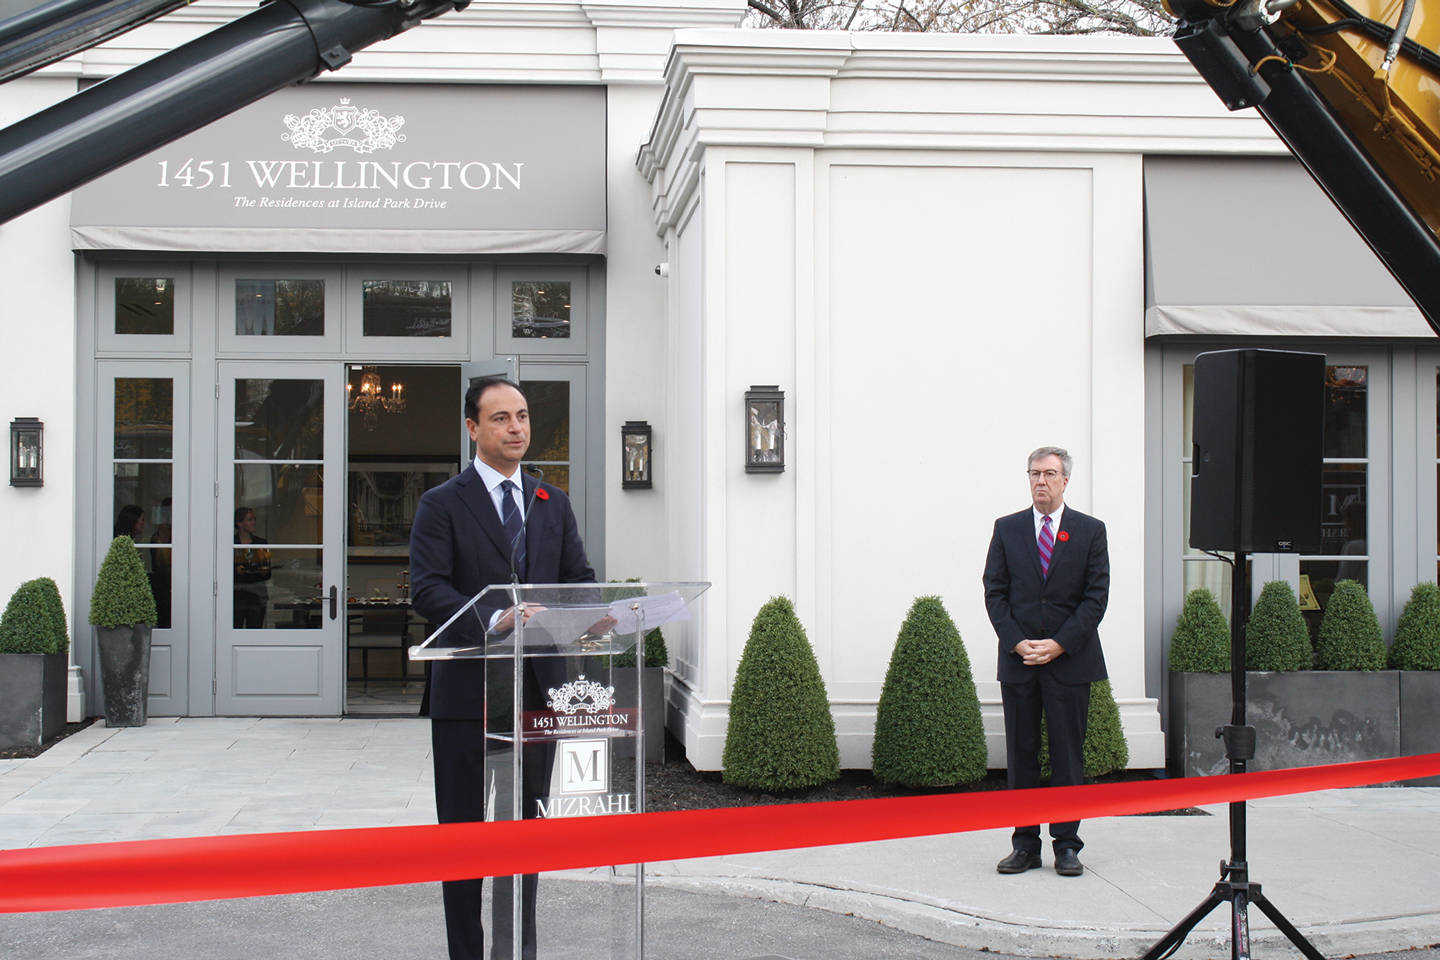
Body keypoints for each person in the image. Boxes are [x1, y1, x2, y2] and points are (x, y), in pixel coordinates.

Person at [409, 377, 597, 960]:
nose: (517, 428)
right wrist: (499, 618)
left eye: (521, 417)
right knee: (463, 839)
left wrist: (594, 616)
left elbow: (579, 583)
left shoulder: (551, 501)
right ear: (473, 428)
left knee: (525, 840)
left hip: (537, 697)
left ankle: (518, 952)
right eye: (501, 419)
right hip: (466, 696)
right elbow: (428, 589)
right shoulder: (442, 503)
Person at [983, 446, 1109, 878]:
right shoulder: (1007, 529)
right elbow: (994, 593)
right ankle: (1025, 845)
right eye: (1035, 473)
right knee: (1021, 756)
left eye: (1050, 473)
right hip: (1019, 662)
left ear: (1065, 480)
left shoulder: (1090, 531)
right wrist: (1018, 643)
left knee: (1068, 757)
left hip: (1070, 662)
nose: (1041, 481)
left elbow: (1096, 598)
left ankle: (1067, 845)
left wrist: (1058, 644)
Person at [233, 507, 271, 629]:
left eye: (254, 519)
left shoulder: (261, 543)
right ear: (239, 523)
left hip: (257, 595)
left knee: (255, 632)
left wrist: (263, 571)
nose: (254, 522)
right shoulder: (231, 542)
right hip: (236, 594)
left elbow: (268, 572)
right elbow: (221, 568)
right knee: (234, 630)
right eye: (249, 520)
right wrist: (235, 569)